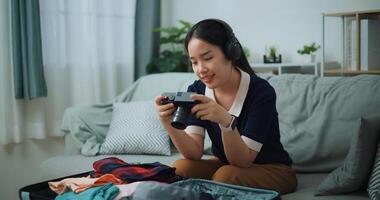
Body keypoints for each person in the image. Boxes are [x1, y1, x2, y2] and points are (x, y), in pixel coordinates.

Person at [155, 19, 297, 194]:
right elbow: (193, 153)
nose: (200, 69)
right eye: (194, 62)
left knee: (225, 176)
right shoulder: (197, 90)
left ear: (231, 52)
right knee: (180, 168)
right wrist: (167, 121)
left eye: (207, 58)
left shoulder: (260, 91)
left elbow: (243, 161)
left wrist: (225, 121)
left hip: (273, 170)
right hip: (228, 165)